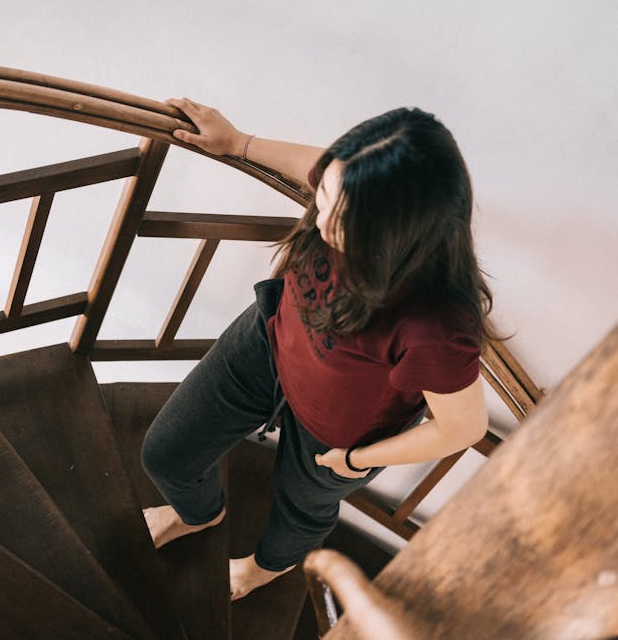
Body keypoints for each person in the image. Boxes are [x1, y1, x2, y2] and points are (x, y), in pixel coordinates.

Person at [141, 97, 492, 601]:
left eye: (347, 218)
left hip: (340, 435)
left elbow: (464, 427)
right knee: (166, 453)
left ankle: (269, 567)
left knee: (300, 511)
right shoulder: (348, 190)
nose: (323, 218)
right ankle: (200, 513)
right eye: (325, 193)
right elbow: (324, 164)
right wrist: (239, 143)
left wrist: (359, 460)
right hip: (267, 344)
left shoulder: (437, 323)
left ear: (400, 233)